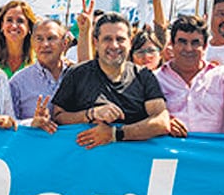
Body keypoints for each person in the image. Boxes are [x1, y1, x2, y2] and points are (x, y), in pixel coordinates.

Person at [52, 12, 170, 147]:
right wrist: (90, 114)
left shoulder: (143, 76)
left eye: (120, 39)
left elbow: (162, 122)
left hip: (131, 164)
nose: (114, 45)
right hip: (86, 163)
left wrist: (115, 134)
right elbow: (58, 116)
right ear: (96, 42)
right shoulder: (77, 74)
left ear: (130, 42)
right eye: (107, 39)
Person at [156, 15, 224, 135]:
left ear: (205, 46)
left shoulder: (221, 76)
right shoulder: (156, 79)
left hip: (211, 152)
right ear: (172, 44)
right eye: (182, 42)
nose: (188, 48)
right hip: (170, 152)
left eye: (195, 43)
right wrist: (163, 123)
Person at [8, 19, 66, 132]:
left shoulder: (75, 75)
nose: (45, 44)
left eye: (51, 38)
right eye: (39, 39)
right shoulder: (18, 82)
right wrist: (32, 123)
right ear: (33, 43)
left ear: (64, 43)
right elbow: (9, 123)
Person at [0, 0, 37, 77]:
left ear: (29, 27)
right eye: (9, 20)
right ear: (2, 25)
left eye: (20, 21)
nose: (14, 26)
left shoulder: (39, 61)